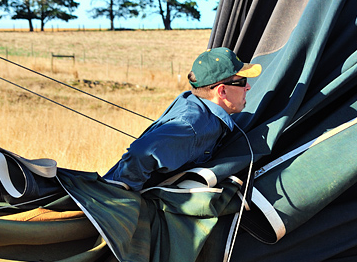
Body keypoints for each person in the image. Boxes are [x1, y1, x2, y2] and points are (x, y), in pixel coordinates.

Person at [103, 48, 261, 191]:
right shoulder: (193, 125)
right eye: (242, 82)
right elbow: (140, 153)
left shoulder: (195, 102)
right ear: (222, 91)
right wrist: (126, 199)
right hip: (109, 207)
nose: (248, 87)